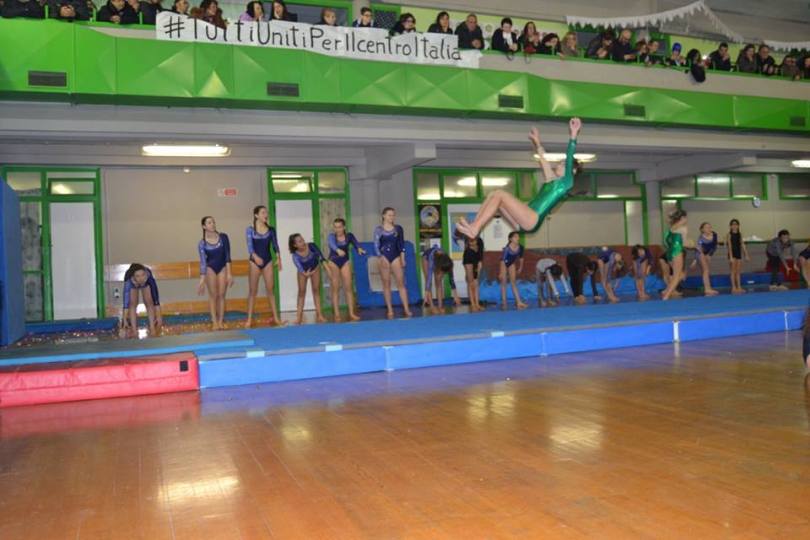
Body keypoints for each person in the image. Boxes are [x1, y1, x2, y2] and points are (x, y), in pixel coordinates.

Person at [455, 118, 583, 240]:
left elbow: (570, 156)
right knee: (493, 195)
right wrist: (537, 142)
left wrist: (573, 135)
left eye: (562, 164)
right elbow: (543, 160)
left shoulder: (567, 183)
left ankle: (475, 228)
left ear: (572, 171)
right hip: (522, 221)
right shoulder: (552, 180)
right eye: (560, 163)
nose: (559, 165)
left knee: (500, 194)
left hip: (532, 218)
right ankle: (474, 225)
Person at [245, 206, 284, 328]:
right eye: (263, 212)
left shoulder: (271, 229)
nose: (266, 214)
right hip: (254, 261)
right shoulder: (250, 229)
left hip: (267, 261)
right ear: (256, 215)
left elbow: (275, 244)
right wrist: (255, 256)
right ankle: (249, 319)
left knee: (270, 290)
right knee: (253, 291)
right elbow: (250, 246)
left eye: (266, 212)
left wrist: (278, 257)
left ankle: (276, 318)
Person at [374, 207, 412, 319]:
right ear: (383, 216)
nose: (392, 217)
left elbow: (401, 245)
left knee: (401, 284)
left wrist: (403, 258)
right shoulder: (378, 229)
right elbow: (376, 245)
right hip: (384, 257)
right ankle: (390, 309)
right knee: (386, 284)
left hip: (395, 257)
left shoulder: (398, 228)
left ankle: (406, 308)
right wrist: (380, 257)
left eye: (393, 215)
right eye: (389, 215)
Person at [197, 216, 233, 330]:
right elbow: (203, 262)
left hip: (222, 267)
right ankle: (214, 322)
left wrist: (229, 273)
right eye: (209, 222)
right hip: (210, 268)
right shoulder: (202, 243)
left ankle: (221, 320)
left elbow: (227, 256)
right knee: (213, 295)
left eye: (213, 222)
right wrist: (202, 280)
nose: (212, 224)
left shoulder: (223, 237)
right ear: (204, 226)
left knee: (222, 294)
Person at [326, 218, 366, 322]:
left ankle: (352, 313)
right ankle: (337, 314)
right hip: (333, 261)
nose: (337, 229)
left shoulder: (349, 236)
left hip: (345, 261)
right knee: (335, 288)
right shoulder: (331, 236)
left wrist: (359, 248)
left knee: (348, 288)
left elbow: (356, 243)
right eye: (335, 227)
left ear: (344, 227)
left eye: (339, 227)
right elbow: (332, 244)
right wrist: (337, 250)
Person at [289, 234, 326, 325]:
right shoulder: (295, 255)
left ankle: (319, 315)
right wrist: (305, 274)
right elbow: (300, 268)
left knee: (316, 290)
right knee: (301, 292)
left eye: (302, 239)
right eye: (299, 241)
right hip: (303, 272)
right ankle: (299, 317)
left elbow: (320, 256)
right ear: (295, 245)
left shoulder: (311, 246)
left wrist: (323, 267)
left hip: (315, 268)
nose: (303, 242)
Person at [120, 263, 162, 338]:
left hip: (146, 283)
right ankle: (134, 330)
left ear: (145, 274)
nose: (141, 278)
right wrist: (125, 320)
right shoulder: (129, 280)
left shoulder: (148, 277)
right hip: (133, 284)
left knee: (149, 302)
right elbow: (126, 303)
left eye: (143, 275)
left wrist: (158, 316)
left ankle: (152, 328)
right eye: (138, 276)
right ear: (133, 276)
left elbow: (156, 299)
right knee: (132, 304)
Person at [661, 209, 692, 301]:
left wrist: (671, 214)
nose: (687, 219)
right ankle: (666, 295)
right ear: (682, 218)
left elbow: (667, 241)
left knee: (679, 274)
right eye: (686, 217)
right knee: (676, 276)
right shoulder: (683, 228)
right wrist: (693, 244)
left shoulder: (671, 227)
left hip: (669, 253)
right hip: (677, 252)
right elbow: (685, 243)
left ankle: (667, 291)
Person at [421, 245, 461, 313]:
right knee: (428, 279)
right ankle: (432, 307)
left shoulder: (447, 261)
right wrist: (426, 295)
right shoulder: (431, 259)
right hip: (427, 258)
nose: (444, 274)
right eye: (443, 272)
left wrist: (455, 295)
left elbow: (451, 278)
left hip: (440, 261)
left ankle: (440, 306)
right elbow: (429, 279)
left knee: (438, 283)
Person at [691, 222, 720, 296]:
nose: (709, 229)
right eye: (707, 227)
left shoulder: (714, 234)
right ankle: (707, 289)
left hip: (708, 253)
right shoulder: (701, 238)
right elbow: (698, 249)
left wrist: (709, 255)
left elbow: (714, 246)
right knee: (706, 270)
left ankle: (708, 288)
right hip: (700, 254)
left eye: (710, 227)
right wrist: (695, 260)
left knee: (706, 270)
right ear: (702, 229)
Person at [500, 232, 526, 309]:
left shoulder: (520, 247)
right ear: (510, 239)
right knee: (503, 283)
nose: (517, 238)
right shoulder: (507, 248)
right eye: (515, 237)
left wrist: (520, 267)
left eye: (518, 237)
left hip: (511, 263)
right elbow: (502, 260)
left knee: (513, 282)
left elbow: (521, 258)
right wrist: (501, 273)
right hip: (504, 263)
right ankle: (504, 303)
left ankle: (519, 302)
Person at [461, 234, 484, 311]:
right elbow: (467, 265)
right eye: (469, 240)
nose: (471, 242)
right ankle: (473, 304)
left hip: (475, 263)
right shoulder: (468, 251)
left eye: (473, 240)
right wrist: (468, 274)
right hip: (468, 261)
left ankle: (477, 304)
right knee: (471, 283)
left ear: (477, 241)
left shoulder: (479, 249)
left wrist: (478, 271)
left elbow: (480, 262)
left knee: (476, 284)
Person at [726, 218, 749, 294]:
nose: (734, 226)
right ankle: (733, 288)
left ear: (738, 226)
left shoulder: (740, 234)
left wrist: (746, 254)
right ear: (730, 226)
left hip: (738, 253)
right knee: (733, 271)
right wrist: (731, 257)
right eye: (733, 224)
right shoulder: (729, 235)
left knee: (738, 272)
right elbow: (729, 246)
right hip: (732, 254)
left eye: (736, 224)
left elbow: (742, 244)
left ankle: (739, 287)